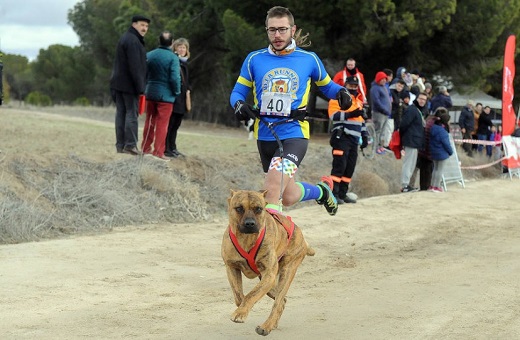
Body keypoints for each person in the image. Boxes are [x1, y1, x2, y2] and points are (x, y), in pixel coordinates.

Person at [229, 6, 354, 216]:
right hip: (266, 134)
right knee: (288, 196)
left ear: (293, 30)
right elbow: (237, 92)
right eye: (272, 30)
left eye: (282, 29)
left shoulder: (308, 59)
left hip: (295, 134)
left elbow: (328, 86)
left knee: (271, 189)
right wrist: (239, 105)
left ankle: (272, 246)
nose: (277, 35)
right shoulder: (254, 59)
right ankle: (322, 192)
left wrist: (341, 92)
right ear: (266, 30)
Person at [110, 15, 150, 155]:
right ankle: (130, 145)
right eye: (142, 25)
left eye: (146, 26)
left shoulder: (126, 37)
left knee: (121, 114)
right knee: (131, 114)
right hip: (129, 85)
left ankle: (120, 146)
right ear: (134, 25)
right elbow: (135, 67)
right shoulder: (133, 41)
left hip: (118, 83)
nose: (144, 28)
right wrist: (141, 88)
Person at [141, 31, 181, 161]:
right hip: (166, 96)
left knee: (150, 121)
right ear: (172, 42)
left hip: (150, 92)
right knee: (162, 124)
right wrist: (177, 91)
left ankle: (145, 149)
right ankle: (158, 152)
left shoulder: (149, 55)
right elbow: (175, 78)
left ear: (159, 41)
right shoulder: (173, 58)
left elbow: (144, 74)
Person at [327, 75, 367, 204]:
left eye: (355, 86)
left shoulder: (359, 101)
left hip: (355, 139)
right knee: (339, 166)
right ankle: (333, 194)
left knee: (349, 168)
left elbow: (361, 120)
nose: (353, 88)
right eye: (351, 86)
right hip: (342, 137)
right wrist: (350, 114)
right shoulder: (338, 98)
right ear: (346, 85)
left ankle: (343, 194)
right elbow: (333, 115)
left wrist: (365, 135)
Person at [165, 37, 191, 158]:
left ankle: (173, 147)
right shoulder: (173, 61)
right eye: (179, 47)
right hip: (174, 98)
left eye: (184, 47)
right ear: (174, 48)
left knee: (176, 125)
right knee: (170, 124)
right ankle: (167, 148)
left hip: (181, 99)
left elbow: (186, 82)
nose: (182, 49)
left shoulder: (185, 64)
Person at [399, 92, 429, 192]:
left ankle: (407, 185)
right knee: (408, 164)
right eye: (421, 99)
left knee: (411, 164)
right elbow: (403, 124)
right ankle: (405, 185)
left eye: (424, 100)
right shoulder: (412, 110)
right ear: (417, 99)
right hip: (411, 140)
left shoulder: (417, 110)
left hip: (415, 141)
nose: (422, 101)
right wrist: (404, 138)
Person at [428, 108, 453, 192]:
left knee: (435, 169)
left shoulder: (433, 128)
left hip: (434, 152)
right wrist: (450, 152)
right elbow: (446, 144)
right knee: (440, 170)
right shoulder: (443, 132)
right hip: (442, 153)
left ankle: (432, 185)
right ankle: (437, 186)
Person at [369, 71, 392, 154]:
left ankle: (380, 146)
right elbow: (376, 101)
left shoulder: (384, 87)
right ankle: (375, 147)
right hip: (379, 113)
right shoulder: (375, 88)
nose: (384, 80)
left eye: (385, 79)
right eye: (382, 79)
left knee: (382, 131)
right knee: (377, 131)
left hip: (385, 114)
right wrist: (384, 110)